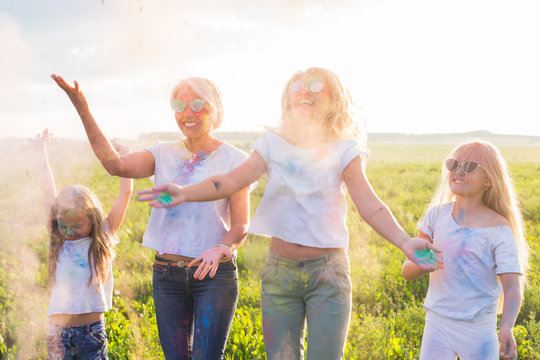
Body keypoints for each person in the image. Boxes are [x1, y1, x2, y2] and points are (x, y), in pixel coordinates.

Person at [138, 67, 443, 360]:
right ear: (288, 100)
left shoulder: (344, 149)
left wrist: (405, 242)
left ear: (333, 99)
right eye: (297, 87)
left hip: (328, 273)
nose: (304, 92)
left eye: (314, 87)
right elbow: (230, 181)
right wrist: (184, 192)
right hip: (279, 274)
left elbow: (369, 204)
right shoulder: (272, 144)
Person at [51, 74, 250, 360]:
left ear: (215, 109)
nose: (187, 113)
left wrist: (223, 247)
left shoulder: (236, 160)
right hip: (167, 274)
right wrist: (81, 105)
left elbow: (242, 224)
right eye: (179, 105)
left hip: (214, 276)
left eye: (197, 104)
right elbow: (114, 165)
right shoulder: (162, 152)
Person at [401, 140, 528, 360]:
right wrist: (422, 264)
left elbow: (512, 286)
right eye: (453, 164)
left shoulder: (498, 228)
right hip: (438, 324)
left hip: (478, 330)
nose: (458, 171)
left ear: (489, 180)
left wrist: (506, 327)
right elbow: (406, 270)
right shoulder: (436, 215)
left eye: (469, 166)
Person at [35, 129, 132, 359]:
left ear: (92, 218)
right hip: (57, 333)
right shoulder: (58, 240)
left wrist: (125, 156)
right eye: (63, 225)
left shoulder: (103, 238)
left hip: (91, 333)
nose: (69, 232)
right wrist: (41, 149)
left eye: (77, 225)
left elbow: (125, 193)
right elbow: (48, 191)